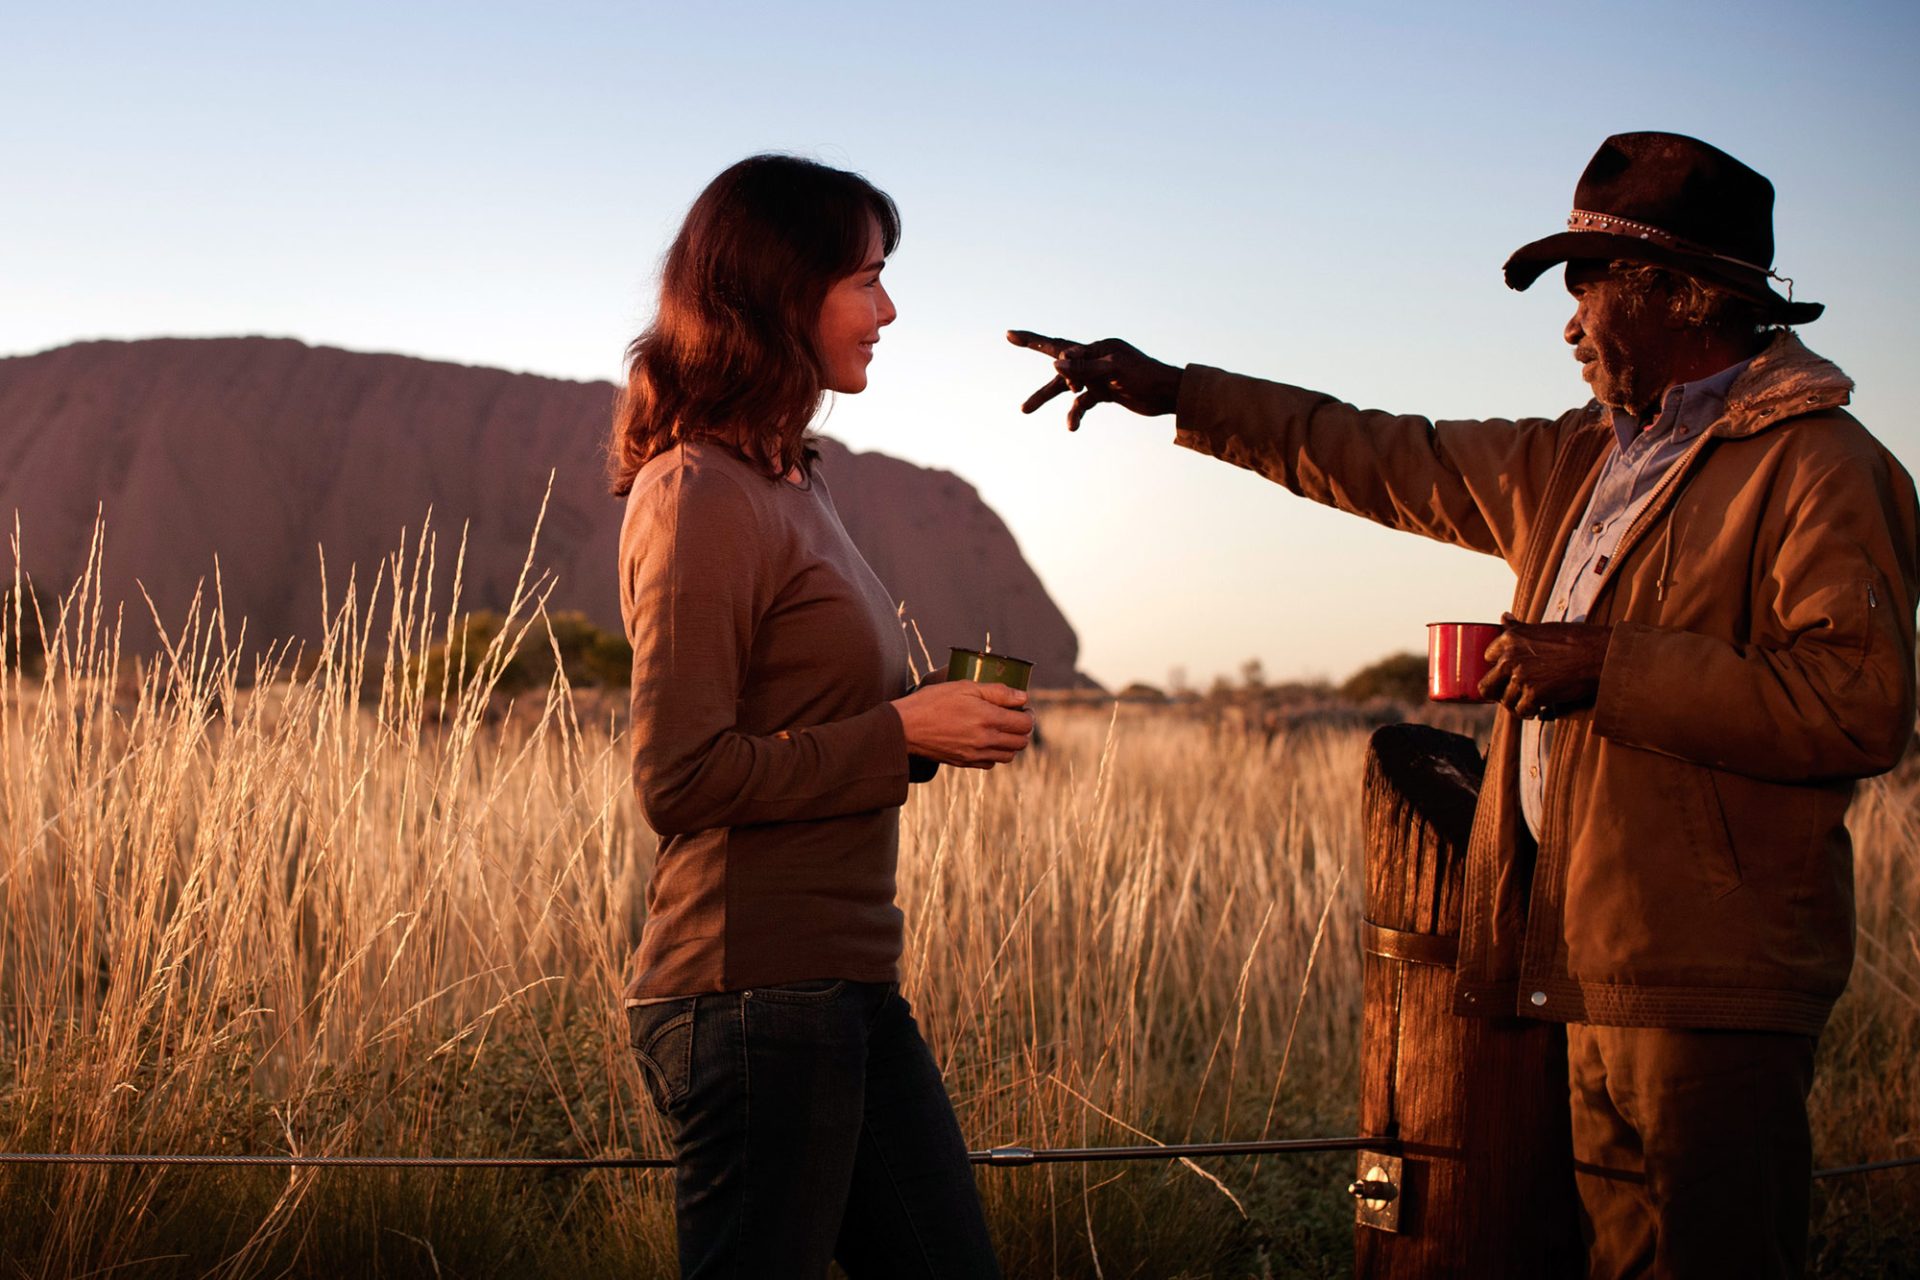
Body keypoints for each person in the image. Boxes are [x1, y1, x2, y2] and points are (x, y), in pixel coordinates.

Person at [1011, 132, 1918, 1279]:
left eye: (1590, 285)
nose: (1571, 322)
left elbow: (1858, 701)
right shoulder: (1576, 461)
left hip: (1712, 976)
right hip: (1580, 960)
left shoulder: (1823, 465)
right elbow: (1376, 450)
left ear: (1687, 295)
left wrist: (1608, 664)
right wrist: (1178, 392)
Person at [612, 154, 1025, 1279]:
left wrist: (931, 725)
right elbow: (681, 778)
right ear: (777, 288)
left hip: (842, 981)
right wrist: (902, 733)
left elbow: (803, 721)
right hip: (749, 992)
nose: (889, 309)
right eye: (866, 278)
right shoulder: (700, 489)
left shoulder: (795, 481)